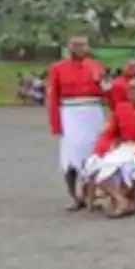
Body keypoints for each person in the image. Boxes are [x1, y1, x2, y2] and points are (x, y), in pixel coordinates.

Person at [84, 77, 135, 218]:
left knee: (132, 168)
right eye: (131, 88)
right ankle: (122, 200)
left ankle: (122, 200)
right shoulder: (120, 108)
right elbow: (107, 133)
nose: (133, 92)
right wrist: (97, 152)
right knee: (97, 168)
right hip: (123, 147)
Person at [46, 36, 107, 210]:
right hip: (70, 112)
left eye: (82, 45)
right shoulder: (57, 68)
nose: (78, 49)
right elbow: (52, 96)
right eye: (75, 45)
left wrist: (102, 80)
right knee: (70, 156)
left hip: (93, 111)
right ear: (68, 47)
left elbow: (107, 90)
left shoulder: (96, 65)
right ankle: (74, 195)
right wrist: (55, 123)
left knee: (94, 153)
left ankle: (90, 194)